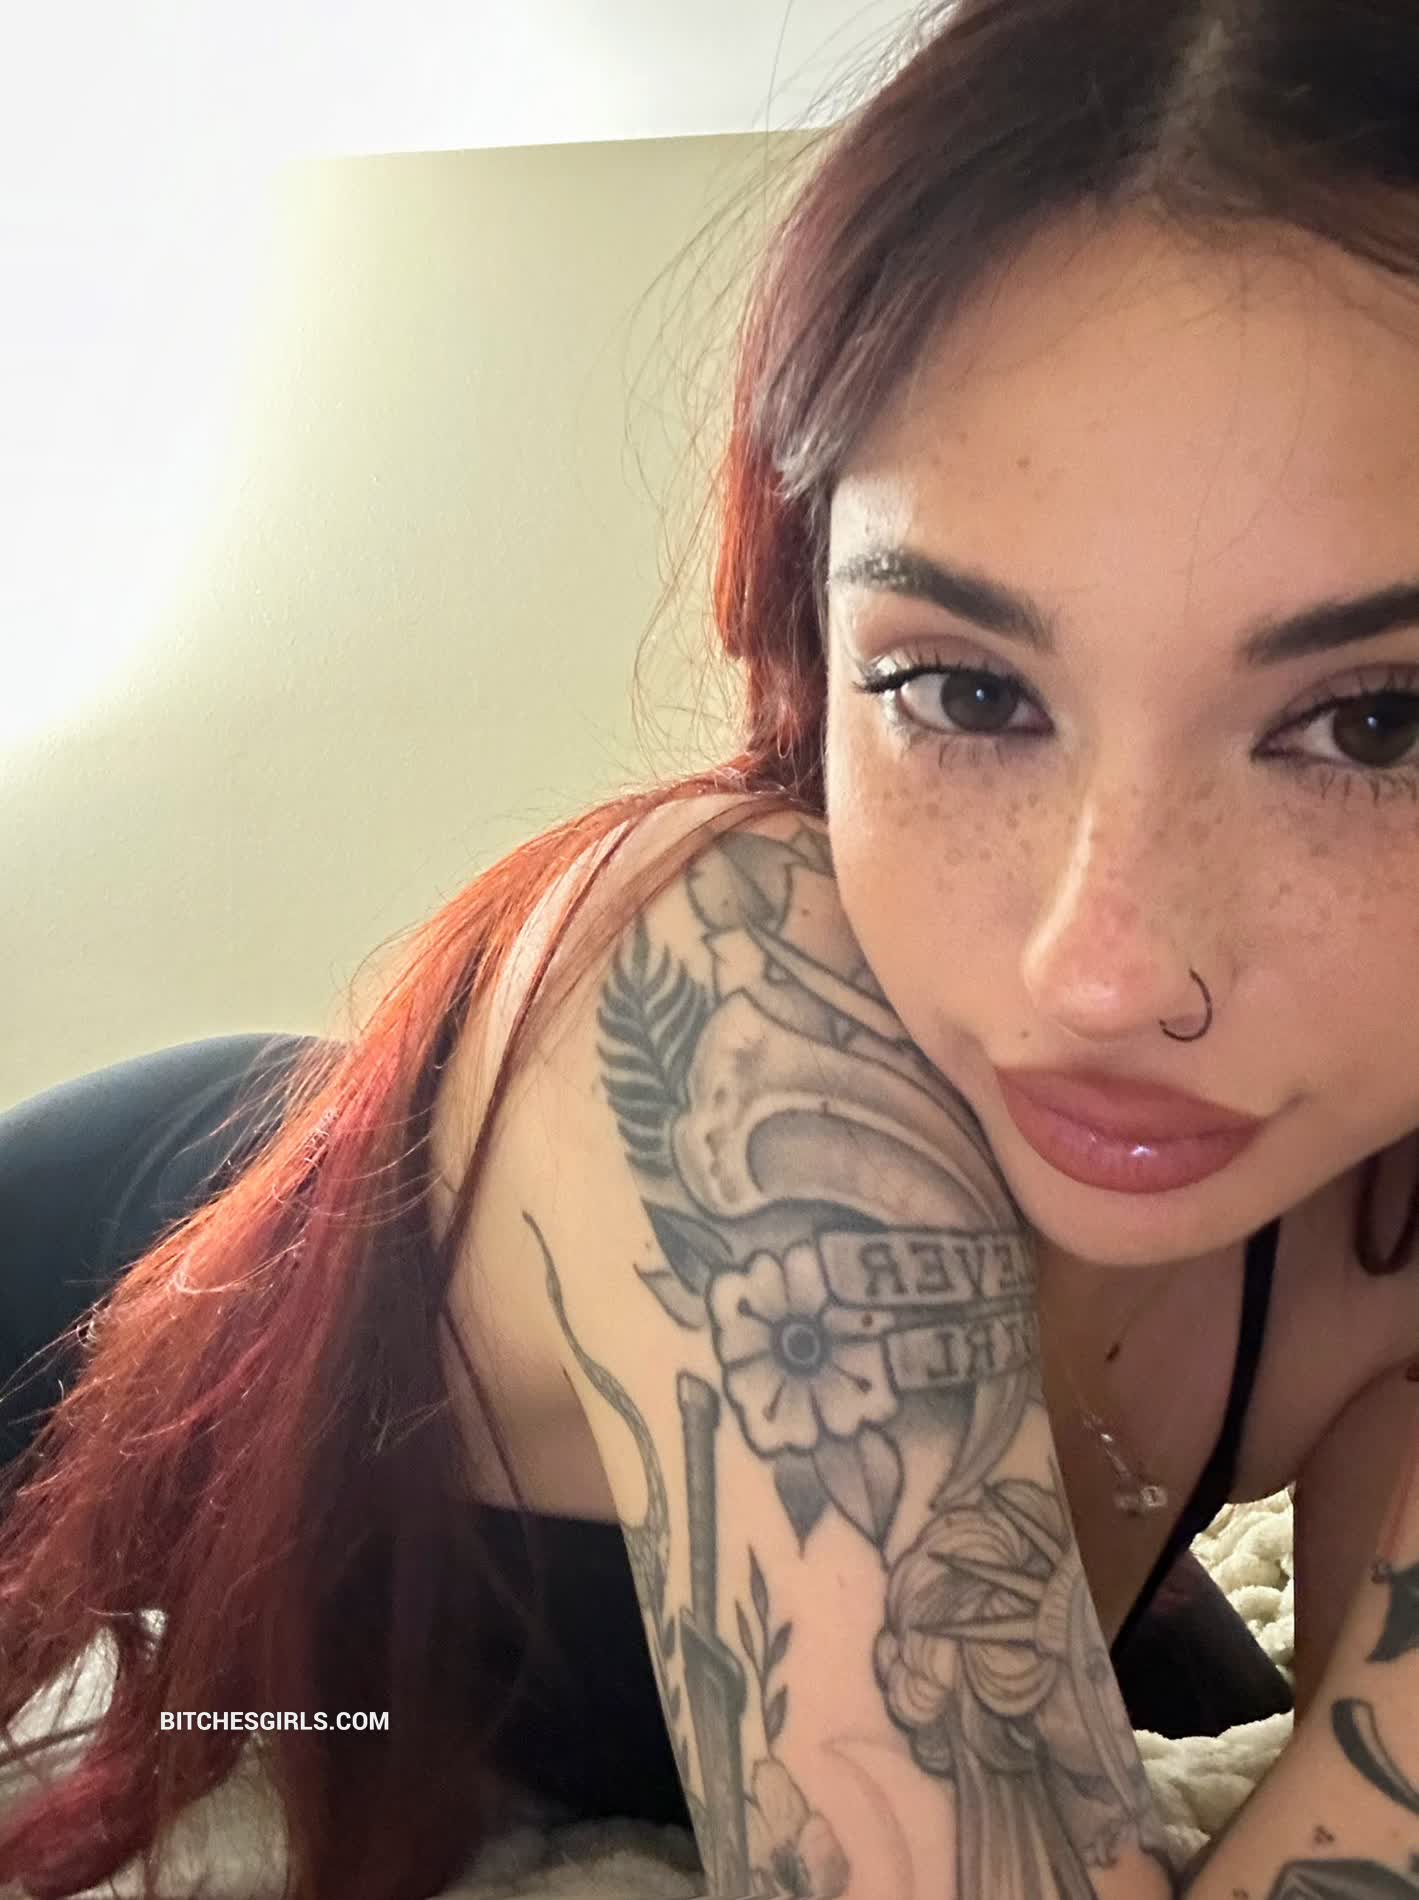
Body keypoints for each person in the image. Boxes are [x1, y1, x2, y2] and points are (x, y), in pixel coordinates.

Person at [4, 0, 1419, 1894]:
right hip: (148, 1274)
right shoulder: (740, 1002)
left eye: (1376, 725)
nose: (1102, 973)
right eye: (964, 691)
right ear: (814, 644)